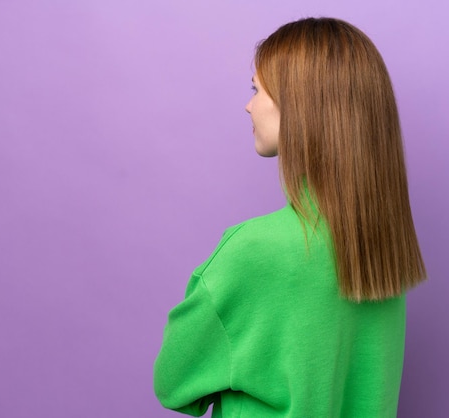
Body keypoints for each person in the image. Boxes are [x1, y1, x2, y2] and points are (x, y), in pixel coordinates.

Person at [154, 17, 427, 418]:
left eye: (256, 89)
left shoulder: (254, 248)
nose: (248, 105)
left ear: (300, 104)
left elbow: (173, 382)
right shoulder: (381, 248)